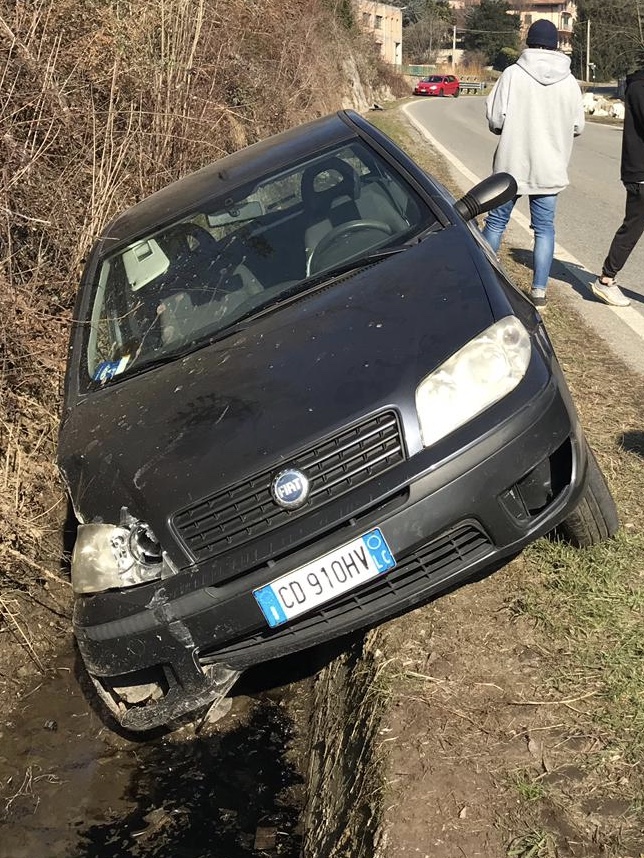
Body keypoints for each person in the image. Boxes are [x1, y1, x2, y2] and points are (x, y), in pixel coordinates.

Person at [481, 19, 585, 307]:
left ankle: (486, 280)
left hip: (511, 164)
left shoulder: (513, 74)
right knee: (544, 229)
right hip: (550, 167)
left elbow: (495, 118)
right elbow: (578, 125)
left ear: (528, 42)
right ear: (555, 46)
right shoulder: (570, 82)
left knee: (496, 222)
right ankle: (539, 290)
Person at [589, 71, 644, 307]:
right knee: (632, 228)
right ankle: (606, 279)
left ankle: (607, 277)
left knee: (632, 227)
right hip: (641, 171)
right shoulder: (640, 87)